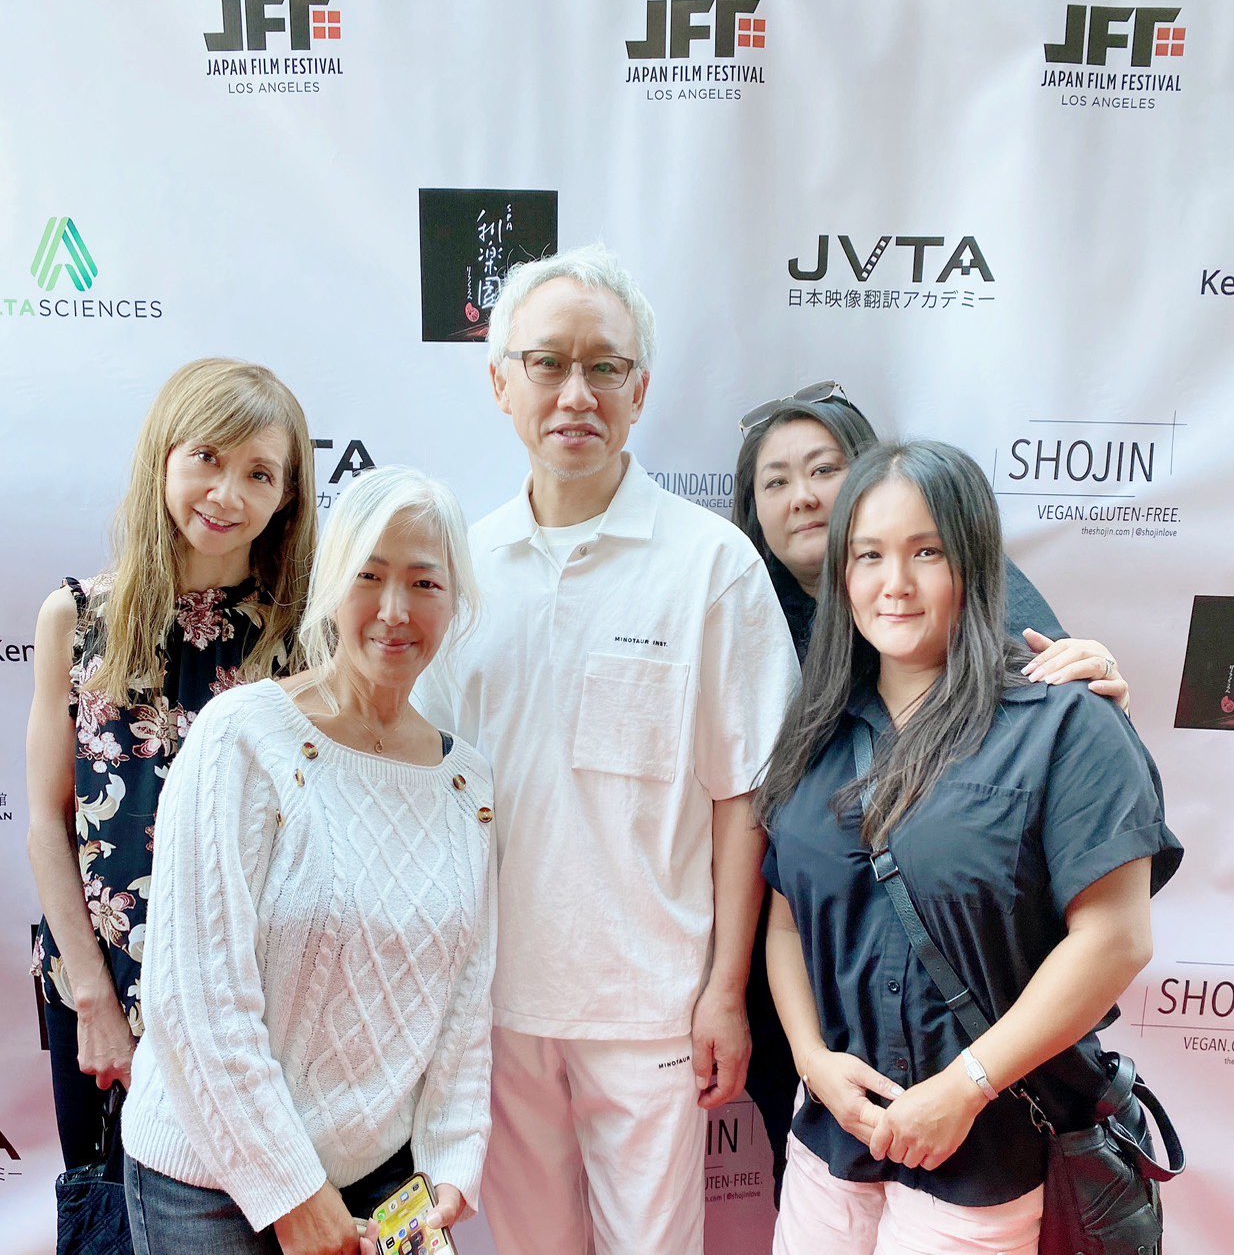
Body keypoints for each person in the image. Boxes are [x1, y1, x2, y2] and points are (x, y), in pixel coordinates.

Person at [414, 246, 800, 1254]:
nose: (576, 393)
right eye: (547, 362)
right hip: (497, 1005)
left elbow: (745, 796)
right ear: (500, 381)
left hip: (651, 1008)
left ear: (640, 389)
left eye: (605, 367)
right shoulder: (458, 571)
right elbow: (419, 784)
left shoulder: (711, 565)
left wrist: (723, 990)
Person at [758, 439, 1182, 1254]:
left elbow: (1115, 939)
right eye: (869, 555)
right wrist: (812, 1062)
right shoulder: (814, 733)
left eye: (927, 552)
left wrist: (965, 1086)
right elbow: (785, 922)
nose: (895, 583)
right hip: (830, 1147)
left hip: (984, 1156)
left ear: (975, 563)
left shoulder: (1065, 724)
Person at [121, 465, 497, 1255]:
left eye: (424, 582)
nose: (394, 610)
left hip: (382, 1179)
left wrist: (452, 1154)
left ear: (454, 601)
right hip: (209, 1184)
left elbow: (465, 995)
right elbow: (196, 996)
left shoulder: (466, 781)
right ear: (331, 584)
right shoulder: (244, 737)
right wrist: (293, 1192)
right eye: (369, 576)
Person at [27, 358, 317, 1175]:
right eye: (206, 458)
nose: (226, 494)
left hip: (253, 1014)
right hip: (99, 993)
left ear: (286, 496)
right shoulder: (77, 617)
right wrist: (92, 998)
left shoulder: (308, 638)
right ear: (164, 457)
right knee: (108, 1216)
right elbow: (47, 819)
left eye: (259, 473)